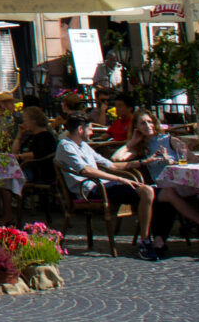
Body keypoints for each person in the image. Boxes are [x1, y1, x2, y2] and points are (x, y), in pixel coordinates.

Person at [56, 111, 157, 259]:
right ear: (80, 130)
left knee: (150, 191)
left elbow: (111, 164)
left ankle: (151, 238)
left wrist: (142, 162)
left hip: (103, 186)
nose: (92, 132)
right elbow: (86, 170)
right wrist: (119, 179)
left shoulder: (83, 145)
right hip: (90, 190)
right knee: (146, 192)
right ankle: (145, 242)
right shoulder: (66, 146)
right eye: (90, 129)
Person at [119, 109, 199, 255]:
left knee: (163, 195)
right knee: (163, 196)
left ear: (155, 123)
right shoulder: (140, 147)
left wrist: (172, 161)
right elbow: (116, 159)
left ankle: (159, 241)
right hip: (161, 188)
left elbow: (193, 161)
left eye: (149, 121)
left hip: (182, 184)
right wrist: (132, 142)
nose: (147, 125)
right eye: (142, 123)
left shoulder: (170, 140)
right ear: (137, 127)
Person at [13, 105, 59, 188]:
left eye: (25, 121)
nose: (23, 124)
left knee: (6, 180)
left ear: (33, 121)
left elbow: (39, 153)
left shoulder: (45, 136)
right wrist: (19, 136)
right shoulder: (31, 136)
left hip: (39, 172)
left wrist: (20, 156)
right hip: (27, 168)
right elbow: (14, 152)